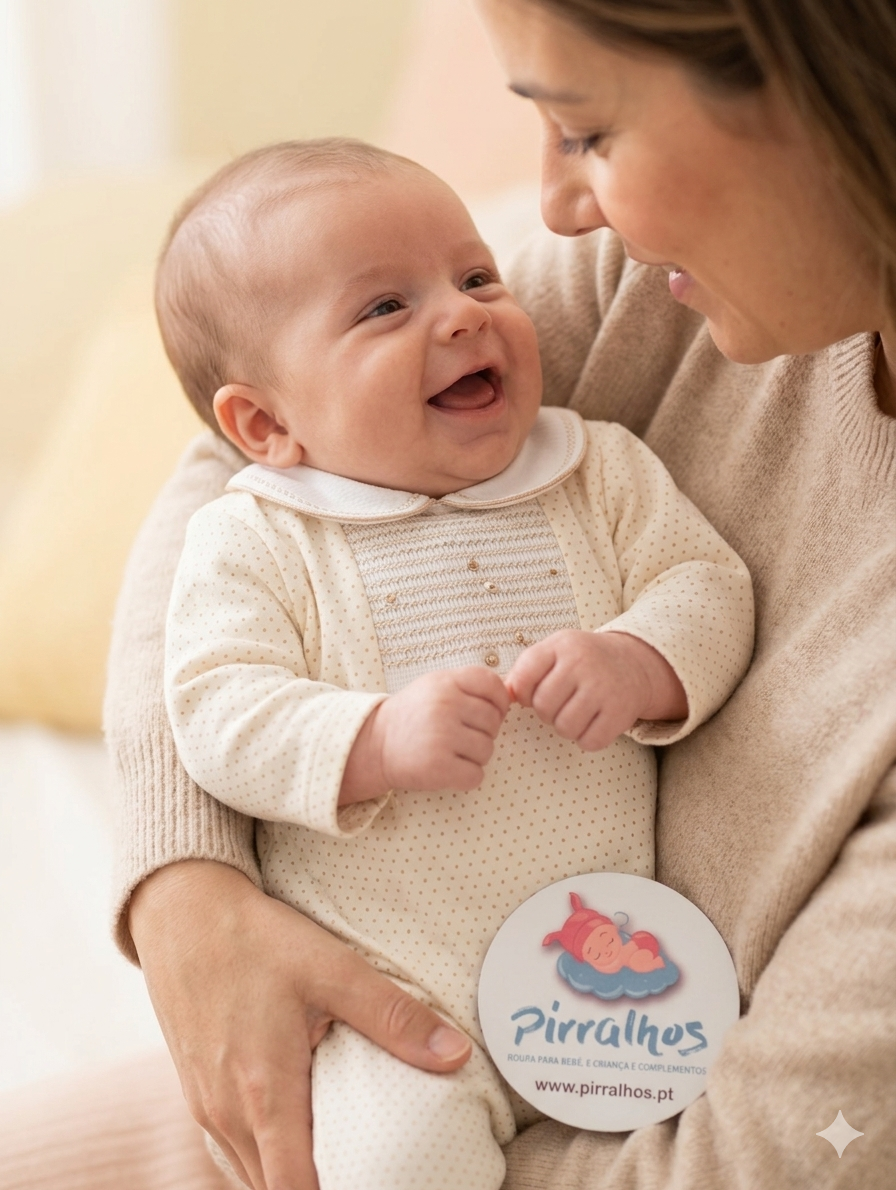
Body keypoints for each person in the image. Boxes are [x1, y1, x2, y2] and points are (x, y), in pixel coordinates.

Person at [0, 0, 893, 1188]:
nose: (557, 214)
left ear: (831, 94)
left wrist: (642, 657)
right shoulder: (658, 279)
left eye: (586, 131)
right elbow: (245, 480)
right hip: (346, 1056)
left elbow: (753, 1163)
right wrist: (188, 890)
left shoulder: (600, 460)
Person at [156, 137, 752, 1189]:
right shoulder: (255, 537)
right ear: (264, 421)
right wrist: (368, 738)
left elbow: (705, 584)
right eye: (383, 308)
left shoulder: (591, 469)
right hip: (396, 993)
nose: (465, 313)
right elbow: (214, 707)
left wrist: (637, 657)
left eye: (476, 276)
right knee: (394, 1162)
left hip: (615, 970)